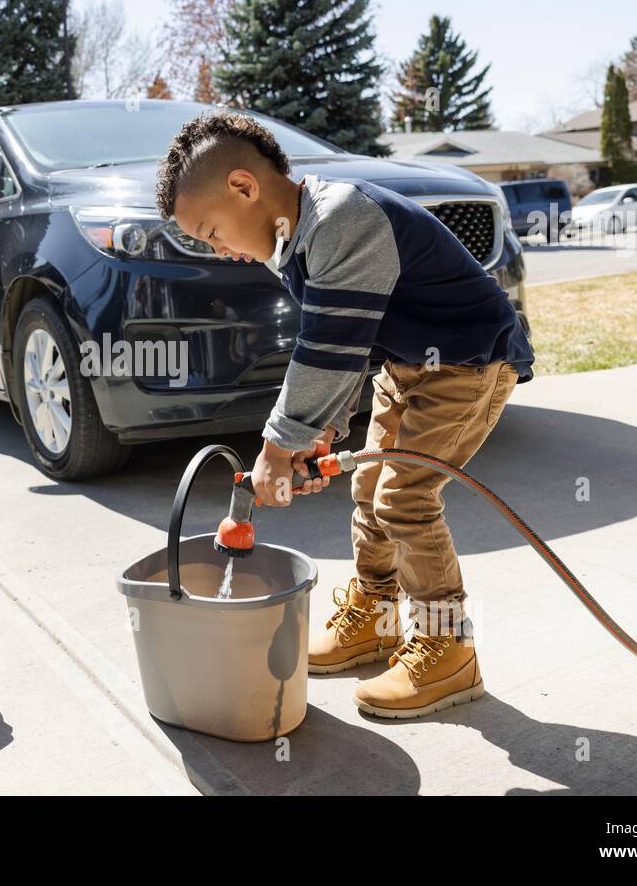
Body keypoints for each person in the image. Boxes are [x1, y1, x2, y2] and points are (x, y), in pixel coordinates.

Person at [157, 110, 534, 719]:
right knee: (367, 487)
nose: (220, 251)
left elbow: (325, 350)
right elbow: (348, 339)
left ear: (244, 188)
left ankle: (450, 646)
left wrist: (278, 448)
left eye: (212, 233)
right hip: (406, 368)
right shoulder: (297, 241)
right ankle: (377, 617)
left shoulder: (342, 218)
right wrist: (324, 428)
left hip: (469, 365)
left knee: (404, 500)